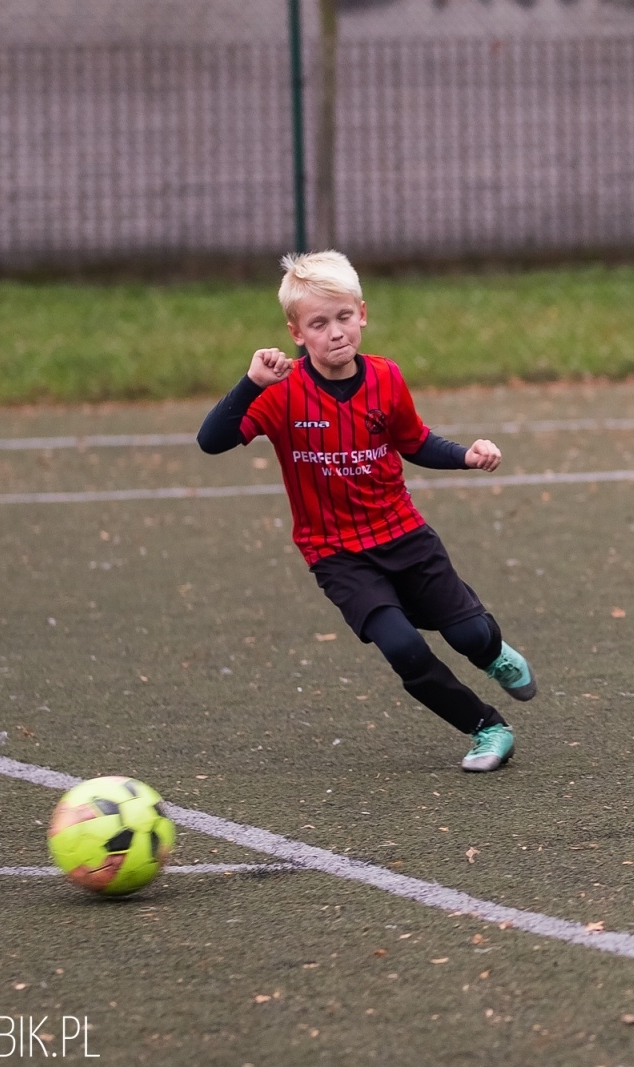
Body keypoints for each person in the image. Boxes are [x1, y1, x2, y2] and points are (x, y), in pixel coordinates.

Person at [197, 250, 534, 773]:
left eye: (344, 317)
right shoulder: (280, 393)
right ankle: (487, 728)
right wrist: (250, 385)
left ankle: (492, 653)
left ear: (363, 313)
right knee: (402, 647)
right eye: (319, 323)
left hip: (405, 536)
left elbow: (415, 442)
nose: (335, 332)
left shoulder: (386, 378)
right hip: (336, 554)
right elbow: (211, 441)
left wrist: (466, 455)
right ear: (296, 333)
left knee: (468, 636)